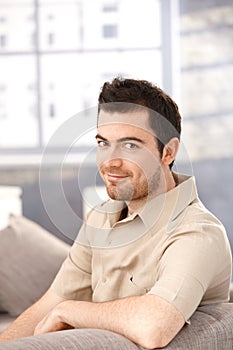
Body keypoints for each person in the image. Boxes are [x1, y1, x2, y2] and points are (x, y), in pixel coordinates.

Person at [0, 77, 232, 349]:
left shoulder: (198, 233)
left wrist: (70, 312)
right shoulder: (100, 217)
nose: (110, 161)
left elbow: (153, 328)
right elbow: (52, 303)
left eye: (130, 145)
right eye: (103, 143)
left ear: (168, 152)